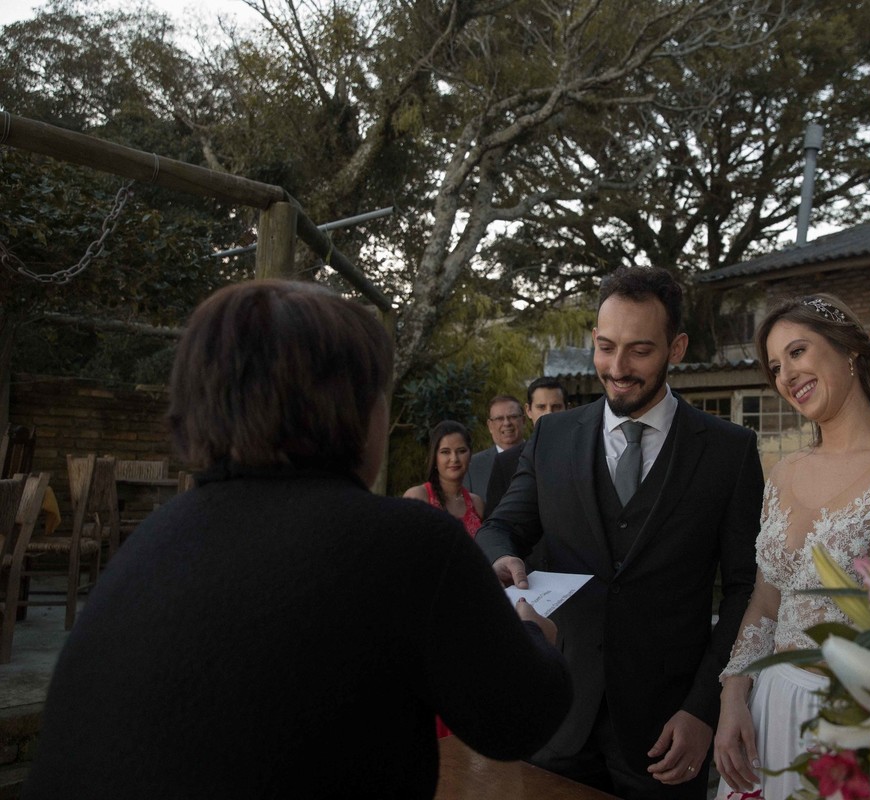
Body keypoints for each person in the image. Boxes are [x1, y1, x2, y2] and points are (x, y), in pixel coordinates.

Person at [22, 280, 571, 800]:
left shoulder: (148, 545)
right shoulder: (406, 542)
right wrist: (533, 634)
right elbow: (521, 718)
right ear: (360, 412)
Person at [476, 266, 764, 800]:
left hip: (668, 734)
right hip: (557, 715)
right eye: (606, 347)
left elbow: (745, 588)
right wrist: (499, 558)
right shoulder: (552, 436)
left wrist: (704, 706)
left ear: (677, 347)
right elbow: (500, 528)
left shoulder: (730, 452)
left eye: (640, 350)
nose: (618, 368)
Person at [713, 294, 870, 800]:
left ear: (849, 351)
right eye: (776, 366)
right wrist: (735, 693)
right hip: (771, 709)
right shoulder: (783, 474)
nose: (786, 375)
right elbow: (766, 601)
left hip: (857, 721)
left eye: (798, 352)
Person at [485, 376, 568, 516]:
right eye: (541, 407)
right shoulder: (505, 462)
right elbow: (495, 520)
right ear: (528, 410)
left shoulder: (585, 454)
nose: (548, 414)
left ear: (568, 408)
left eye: (556, 407)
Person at [404, 420, 485, 537]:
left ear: (470, 455)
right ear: (434, 457)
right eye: (445, 452)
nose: (454, 459)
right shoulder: (418, 497)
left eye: (461, 451)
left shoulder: (477, 504)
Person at [464, 394, 525, 495]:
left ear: (523, 421)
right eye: (499, 418)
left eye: (513, 417)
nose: (506, 423)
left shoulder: (539, 457)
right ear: (490, 426)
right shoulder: (472, 466)